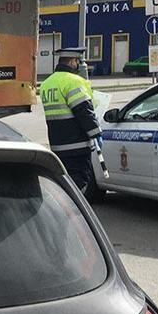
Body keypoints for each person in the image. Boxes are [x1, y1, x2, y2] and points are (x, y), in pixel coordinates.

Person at [40, 47, 104, 202]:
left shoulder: (47, 83)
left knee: (64, 180)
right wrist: (96, 133)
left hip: (58, 144)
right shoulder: (73, 81)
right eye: (78, 61)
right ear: (72, 61)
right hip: (77, 144)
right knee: (78, 182)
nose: (79, 65)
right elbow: (84, 111)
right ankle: (69, 213)